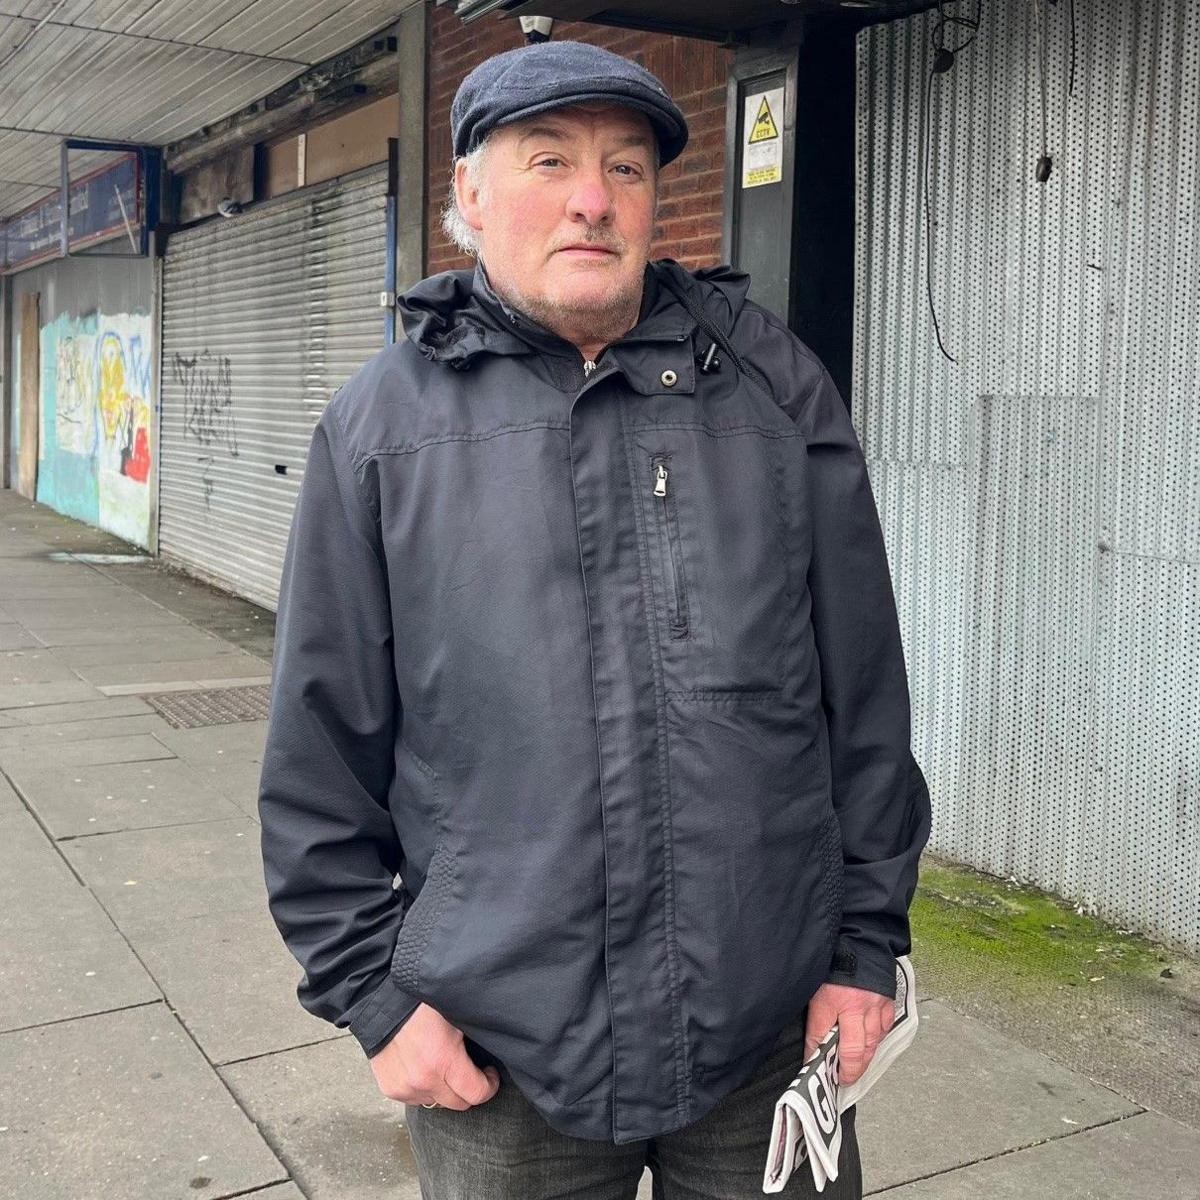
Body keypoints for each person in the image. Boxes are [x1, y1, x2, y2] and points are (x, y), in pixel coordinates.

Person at [257, 38, 932, 1200]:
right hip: (501, 1055)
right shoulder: (380, 432)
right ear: (468, 191)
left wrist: (865, 949)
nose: (591, 198)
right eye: (549, 160)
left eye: (626, 168)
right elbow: (319, 754)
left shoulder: (774, 390)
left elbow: (862, 698)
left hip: (764, 1036)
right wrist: (373, 999)